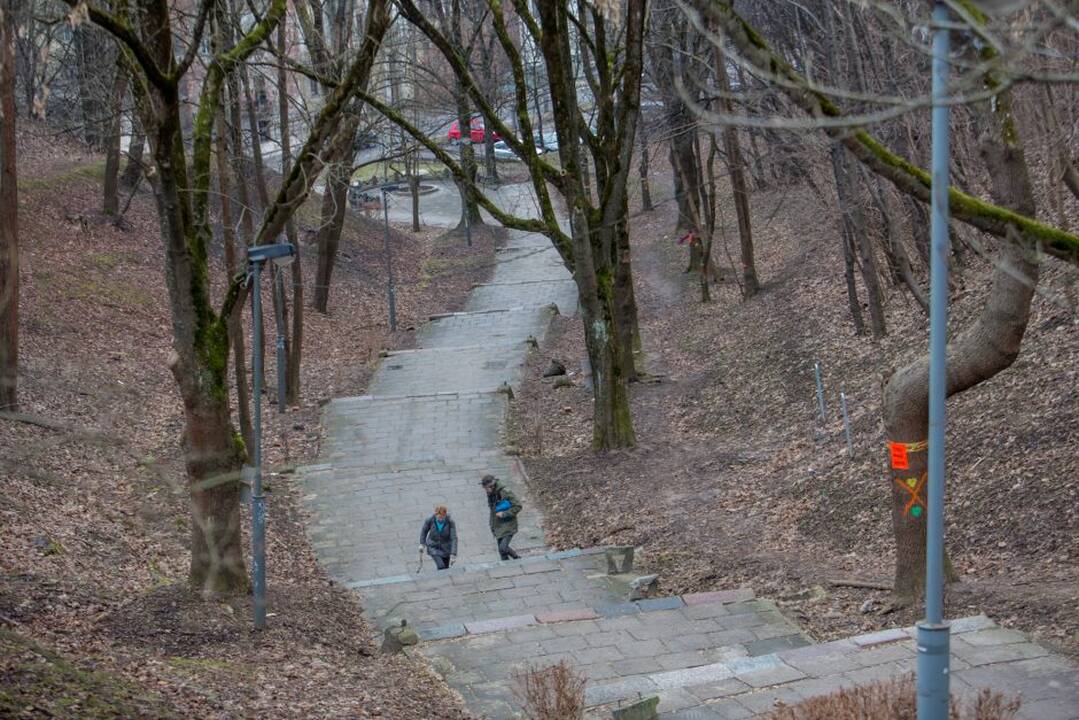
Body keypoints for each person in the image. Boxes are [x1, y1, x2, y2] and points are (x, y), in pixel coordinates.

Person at [480, 474, 521, 561]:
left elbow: (518, 506)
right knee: (502, 552)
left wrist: (504, 514)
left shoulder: (506, 492)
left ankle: (517, 559)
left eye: (487, 488)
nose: (486, 490)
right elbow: (493, 510)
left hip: (508, 524)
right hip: (497, 525)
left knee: (503, 548)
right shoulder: (491, 493)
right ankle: (508, 568)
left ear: (492, 485)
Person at [419, 505, 457, 570]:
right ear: (436, 515)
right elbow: (424, 531)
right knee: (441, 566)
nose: (440, 519)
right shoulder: (430, 520)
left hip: (446, 548)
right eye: (439, 517)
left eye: (442, 518)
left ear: (445, 515)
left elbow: (453, 538)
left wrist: (453, 553)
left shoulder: (450, 522)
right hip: (433, 546)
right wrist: (422, 544)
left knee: (446, 567)